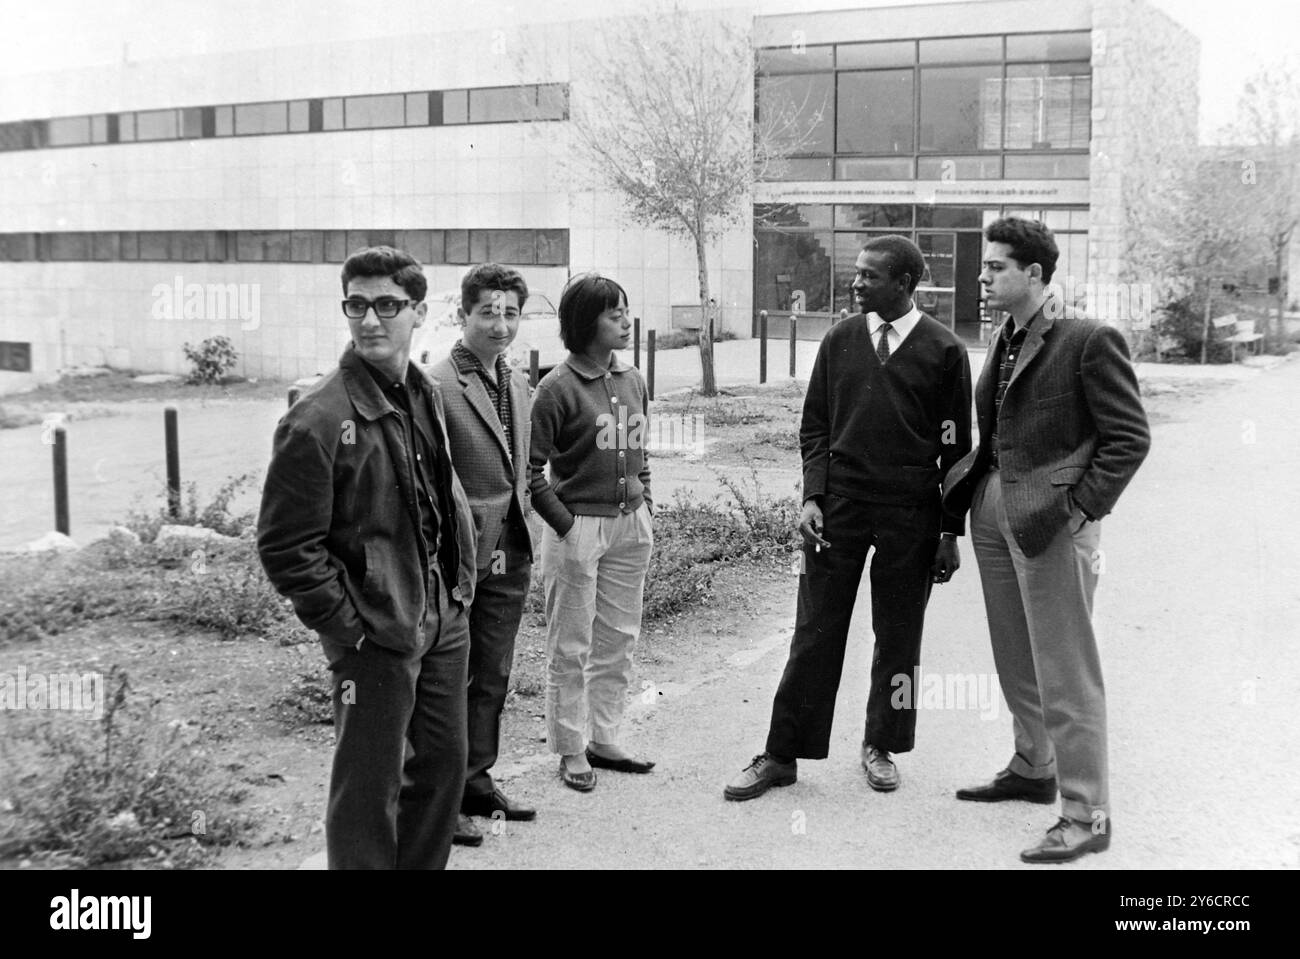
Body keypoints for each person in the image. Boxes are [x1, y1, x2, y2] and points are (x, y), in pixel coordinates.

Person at [724, 235, 972, 801]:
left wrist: (948, 530)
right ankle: (782, 754)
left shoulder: (944, 351)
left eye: (870, 275)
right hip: (838, 512)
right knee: (813, 634)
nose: (855, 283)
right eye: (856, 273)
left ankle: (881, 745)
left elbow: (958, 450)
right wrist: (813, 497)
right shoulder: (839, 340)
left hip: (911, 515)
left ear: (905, 284)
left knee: (900, 636)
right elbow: (815, 428)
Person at [257, 245, 478, 869]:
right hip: (375, 634)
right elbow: (284, 545)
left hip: (441, 619)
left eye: (387, 305)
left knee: (441, 769)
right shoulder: (319, 418)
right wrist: (350, 628)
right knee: (368, 787)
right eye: (357, 305)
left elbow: (439, 495)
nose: (371, 320)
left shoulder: (423, 391)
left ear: (419, 312)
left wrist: (456, 593)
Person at [942, 217, 1150, 863]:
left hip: (1053, 521)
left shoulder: (1088, 338)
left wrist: (1083, 509)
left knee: (1067, 671)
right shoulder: (1003, 336)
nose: (982, 277)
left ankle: (1088, 813)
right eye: (982, 267)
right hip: (996, 511)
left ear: (1034, 274)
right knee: (1015, 657)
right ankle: (1034, 765)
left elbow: (1129, 437)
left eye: (995, 267)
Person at [528, 273, 654, 792]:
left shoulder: (634, 379)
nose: (625, 321)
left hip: (631, 526)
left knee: (618, 639)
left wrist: (645, 504)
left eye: (625, 310)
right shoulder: (556, 387)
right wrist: (567, 525)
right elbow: (531, 473)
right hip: (578, 529)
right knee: (571, 645)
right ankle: (570, 747)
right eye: (613, 314)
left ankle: (605, 737)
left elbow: (641, 451)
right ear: (585, 324)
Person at [428, 263, 537, 847]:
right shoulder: (438, 384)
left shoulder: (515, 379)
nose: (499, 325)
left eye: (510, 313)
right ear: (463, 315)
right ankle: (438, 807)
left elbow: (520, 469)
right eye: (487, 312)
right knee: (448, 680)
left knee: (492, 675)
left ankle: (476, 782)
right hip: (460, 557)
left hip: (510, 550)